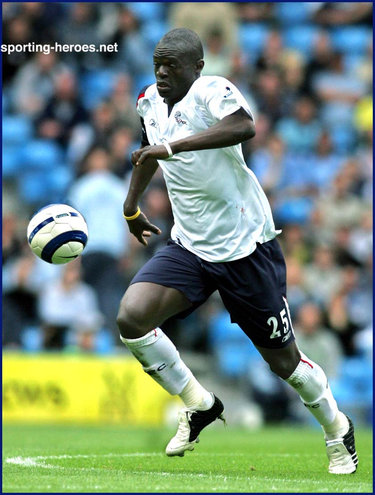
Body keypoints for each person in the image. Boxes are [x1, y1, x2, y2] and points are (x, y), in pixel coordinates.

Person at [116, 28, 357, 475]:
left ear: (198, 67)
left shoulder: (213, 90)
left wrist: (175, 145)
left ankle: (337, 428)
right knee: (132, 318)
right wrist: (131, 206)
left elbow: (244, 125)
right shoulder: (147, 100)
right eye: (158, 64)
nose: (163, 72)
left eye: (172, 65)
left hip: (245, 246)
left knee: (285, 364)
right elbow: (147, 154)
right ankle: (199, 404)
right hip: (190, 245)